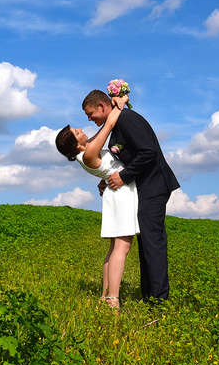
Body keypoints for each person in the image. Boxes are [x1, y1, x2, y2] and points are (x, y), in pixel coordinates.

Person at [82, 89, 180, 303]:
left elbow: (148, 152)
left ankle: (158, 301)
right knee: (146, 242)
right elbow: (129, 157)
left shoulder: (126, 119)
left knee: (153, 243)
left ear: (101, 106)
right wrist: (107, 179)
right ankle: (149, 296)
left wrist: (123, 177)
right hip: (144, 186)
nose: (90, 119)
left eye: (90, 114)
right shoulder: (118, 123)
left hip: (155, 185)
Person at [54, 96, 137, 310]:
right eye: (77, 133)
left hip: (114, 193)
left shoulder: (86, 151)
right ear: (76, 144)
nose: (82, 130)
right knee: (122, 246)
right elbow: (108, 125)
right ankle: (113, 299)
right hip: (121, 194)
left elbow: (101, 132)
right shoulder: (89, 153)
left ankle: (105, 295)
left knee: (114, 248)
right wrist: (120, 104)